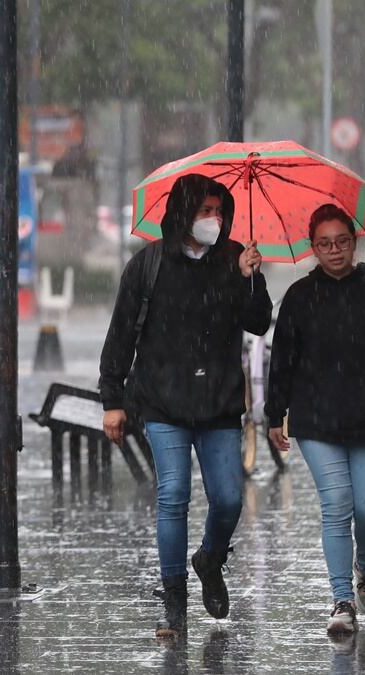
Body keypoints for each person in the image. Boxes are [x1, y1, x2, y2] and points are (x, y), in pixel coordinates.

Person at [99, 173, 272, 640]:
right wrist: (112, 399)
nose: (214, 220)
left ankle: (210, 559)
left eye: (219, 211)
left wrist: (250, 280)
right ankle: (174, 602)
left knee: (230, 499)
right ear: (181, 213)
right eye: (204, 211)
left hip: (217, 403)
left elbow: (258, 323)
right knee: (173, 495)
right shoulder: (148, 266)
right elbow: (120, 336)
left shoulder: (236, 259)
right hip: (162, 402)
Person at [265, 203, 365, 635]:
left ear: (355, 242)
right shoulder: (298, 297)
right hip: (316, 421)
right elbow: (283, 363)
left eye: (342, 242)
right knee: (336, 506)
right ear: (312, 247)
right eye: (324, 244)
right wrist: (275, 414)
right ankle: (341, 600)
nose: (334, 251)